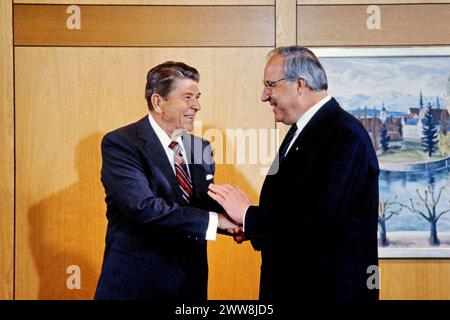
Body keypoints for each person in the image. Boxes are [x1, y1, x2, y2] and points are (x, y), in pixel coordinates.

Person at [208, 46, 379, 300]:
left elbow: (321, 221)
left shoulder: (345, 135)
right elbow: (297, 208)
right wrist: (252, 226)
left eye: (270, 85)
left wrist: (249, 215)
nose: (264, 96)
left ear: (300, 85)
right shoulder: (306, 129)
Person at [94, 61, 236, 300]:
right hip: (136, 286)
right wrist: (218, 221)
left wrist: (239, 220)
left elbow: (198, 207)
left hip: (189, 284)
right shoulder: (121, 143)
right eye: (187, 97)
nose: (197, 106)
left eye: (197, 97)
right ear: (158, 102)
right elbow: (144, 208)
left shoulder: (200, 147)